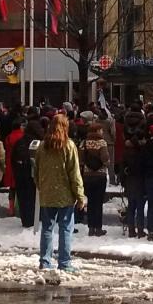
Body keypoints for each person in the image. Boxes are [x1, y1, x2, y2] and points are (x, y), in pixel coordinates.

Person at [35, 114, 86, 272]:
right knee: (65, 228)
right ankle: (64, 262)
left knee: (47, 229)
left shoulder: (42, 146)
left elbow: (36, 171)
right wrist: (80, 195)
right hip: (64, 195)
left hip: (47, 194)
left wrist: (42, 186)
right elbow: (74, 173)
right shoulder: (69, 145)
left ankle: (45, 261)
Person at [80, 121, 110, 236]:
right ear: (98, 131)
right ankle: (98, 228)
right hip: (100, 175)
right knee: (98, 202)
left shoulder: (84, 142)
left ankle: (90, 227)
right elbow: (105, 159)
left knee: (91, 202)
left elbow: (81, 159)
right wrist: (106, 163)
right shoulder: (102, 143)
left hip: (87, 176)